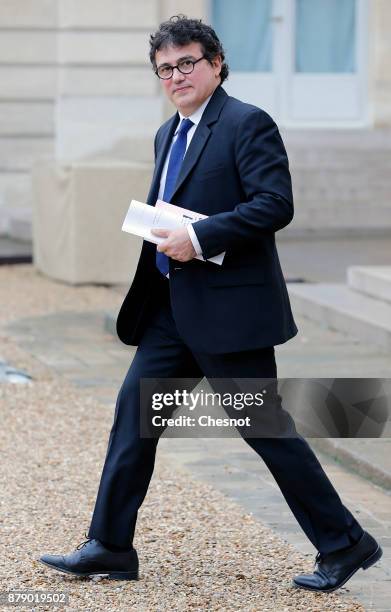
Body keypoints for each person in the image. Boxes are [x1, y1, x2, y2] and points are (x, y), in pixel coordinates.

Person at [39, 15, 382, 592]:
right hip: (170, 312)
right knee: (133, 418)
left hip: (230, 314)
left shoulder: (248, 124)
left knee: (265, 428)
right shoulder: (166, 132)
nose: (176, 76)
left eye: (187, 63)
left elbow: (275, 204)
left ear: (216, 62)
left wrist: (199, 237)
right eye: (165, 69)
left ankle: (346, 543)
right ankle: (110, 547)